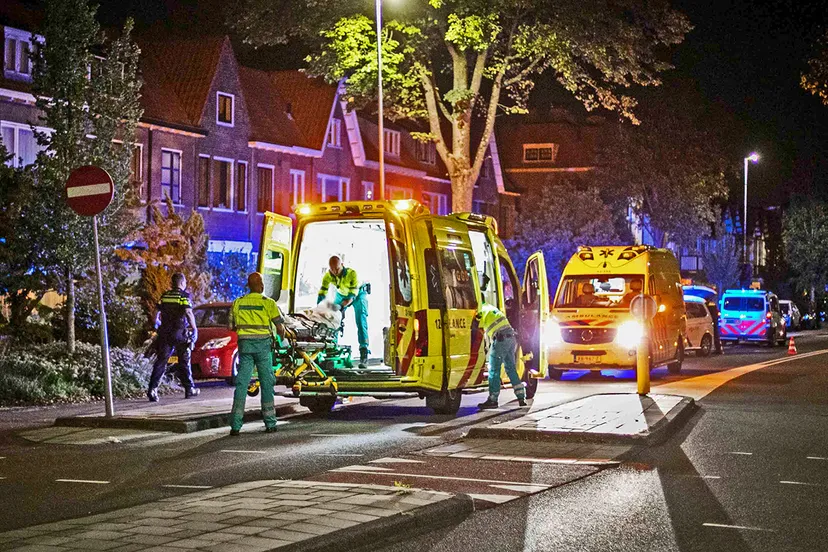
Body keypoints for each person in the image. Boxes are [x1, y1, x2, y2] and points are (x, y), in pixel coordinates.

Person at [229, 272, 291, 436]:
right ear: (262, 286)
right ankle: (270, 423)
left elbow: (231, 326)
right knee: (266, 383)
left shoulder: (238, 303)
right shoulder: (268, 303)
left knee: (242, 383)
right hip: (263, 348)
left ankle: (235, 425)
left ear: (248, 286)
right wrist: (282, 340)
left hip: (245, 347)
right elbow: (280, 327)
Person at [148, 272, 199, 402]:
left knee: (161, 361)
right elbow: (188, 312)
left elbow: (155, 311)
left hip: (165, 332)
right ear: (182, 283)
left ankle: (152, 389)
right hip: (179, 332)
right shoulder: (184, 297)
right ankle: (189, 389)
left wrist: (156, 323)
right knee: (184, 360)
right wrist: (194, 328)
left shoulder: (165, 296)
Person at [318, 255, 370, 368]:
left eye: (337, 268)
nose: (335, 272)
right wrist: (319, 308)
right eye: (332, 269)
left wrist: (340, 307)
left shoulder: (352, 274)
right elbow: (322, 293)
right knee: (332, 319)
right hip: (341, 294)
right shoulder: (328, 276)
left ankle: (364, 352)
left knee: (361, 321)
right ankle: (332, 348)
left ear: (342, 265)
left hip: (357, 294)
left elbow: (351, 297)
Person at [477, 302, 527, 409]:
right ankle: (521, 396)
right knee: (510, 368)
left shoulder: (481, 310)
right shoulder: (491, 308)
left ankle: (493, 399)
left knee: (494, 369)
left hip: (500, 339)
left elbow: (477, 326)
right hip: (511, 338)